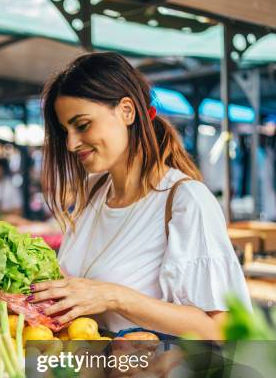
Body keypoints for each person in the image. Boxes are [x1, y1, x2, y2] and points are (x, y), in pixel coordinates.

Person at [27, 52, 251, 339]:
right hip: (91, 376)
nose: (71, 143)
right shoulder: (94, 194)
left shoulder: (186, 201)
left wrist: (114, 296)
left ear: (127, 111)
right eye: (64, 131)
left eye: (82, 125)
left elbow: (224, 329)